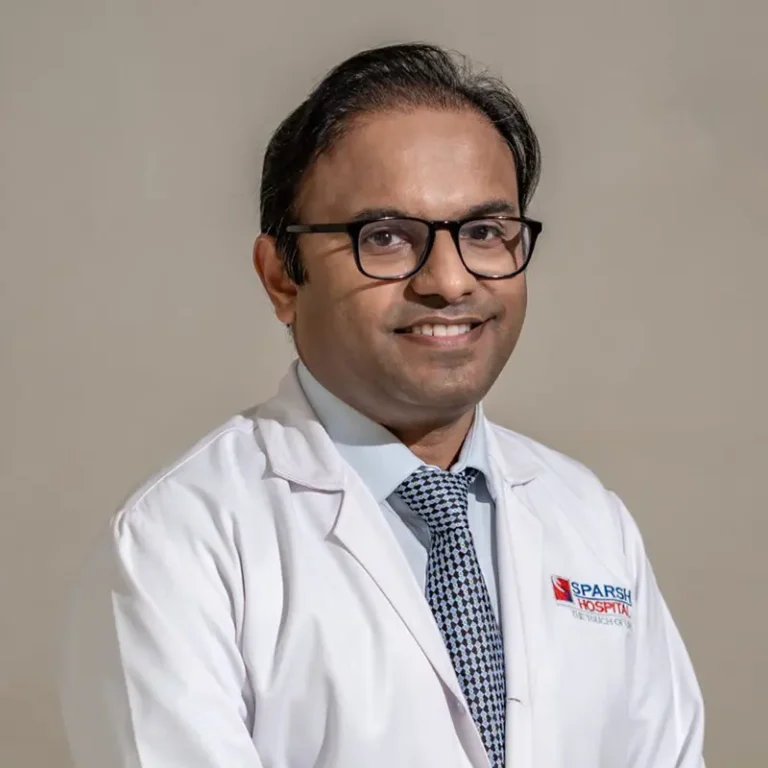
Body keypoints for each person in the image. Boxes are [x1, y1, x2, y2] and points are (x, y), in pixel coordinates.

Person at [58, 43, 706, 768]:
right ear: (281, 278)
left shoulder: (589, 518)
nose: (449, 282)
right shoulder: (177, 544)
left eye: (485, 233)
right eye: (387, 237)